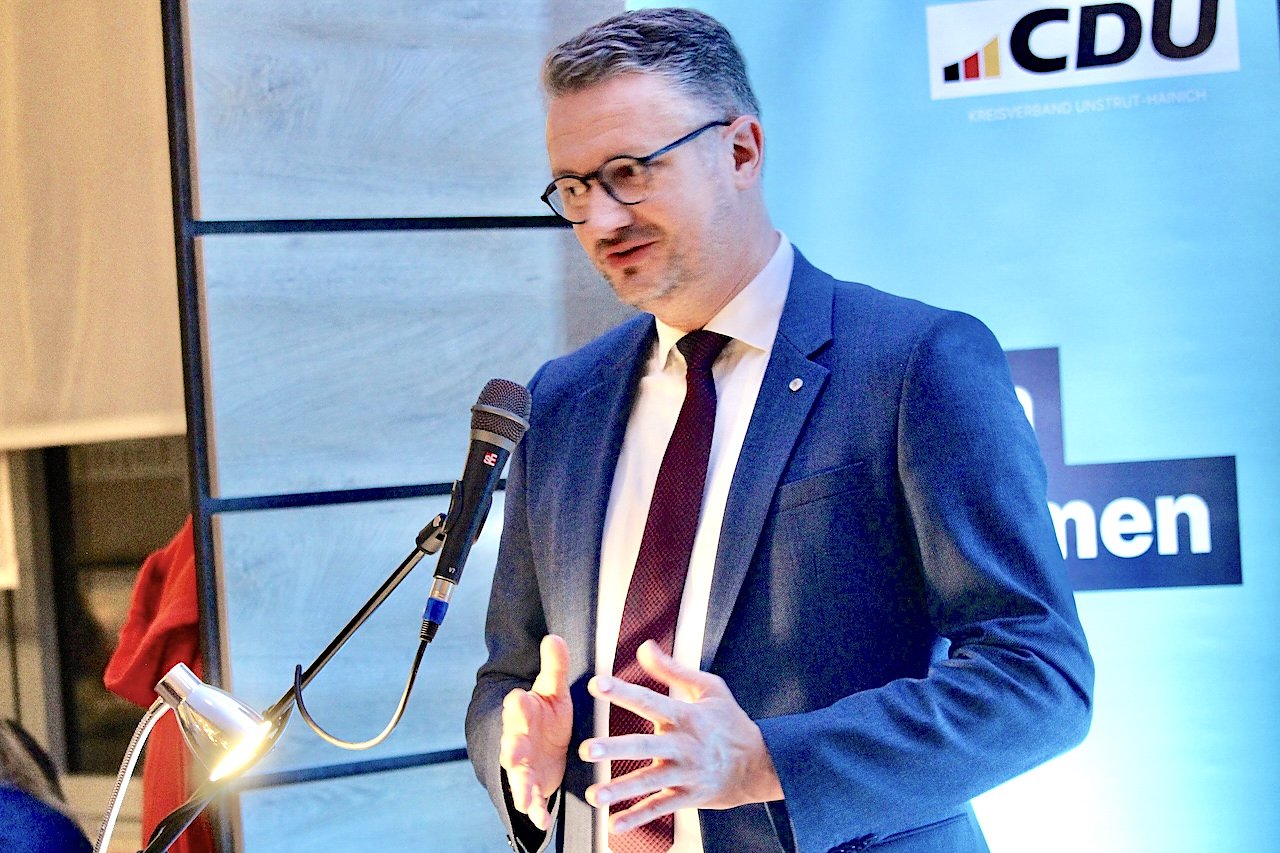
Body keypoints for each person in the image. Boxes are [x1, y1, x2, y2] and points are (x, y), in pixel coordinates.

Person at [465, 8, 1093, 853]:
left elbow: (1038, 677)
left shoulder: (914, 363)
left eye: (629, 173)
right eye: (574, 189)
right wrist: (516, 751)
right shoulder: (561, 400)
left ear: (741, 151)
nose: (602, 221)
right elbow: (509, 674)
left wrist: (770, 762)